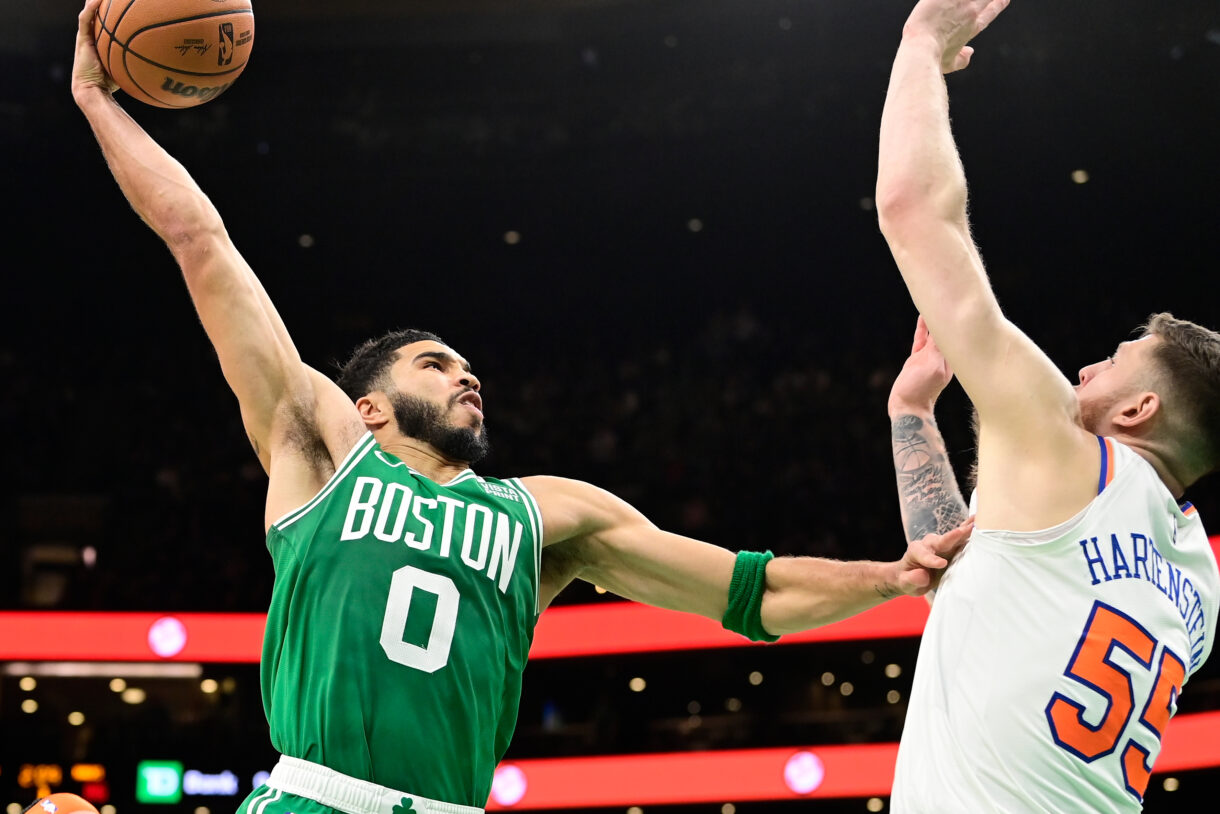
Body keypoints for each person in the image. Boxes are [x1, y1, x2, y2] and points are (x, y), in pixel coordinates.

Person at [69, 3, 970, 814]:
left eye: (469, 366)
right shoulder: (322, 448)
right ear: (370, 404)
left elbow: (747, 591)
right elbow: (201, 240)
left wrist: (887, 577)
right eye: (436, 363)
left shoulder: (549, 514)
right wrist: (99, 103)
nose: (468, 376)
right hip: (316, 798)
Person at [875, 0, 1220, 810]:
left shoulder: (1077, 458)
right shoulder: (1198, 581)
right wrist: (912, 416)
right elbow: (960, 575)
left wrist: (920, 43)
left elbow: (916, 212)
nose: (1085, 367)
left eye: (1111, 362)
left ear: (1138, 411)